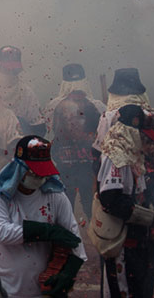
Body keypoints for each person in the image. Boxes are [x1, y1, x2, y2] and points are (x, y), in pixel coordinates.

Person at [0, 136, 85, 298]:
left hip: (46, 291)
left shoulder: (56, 196)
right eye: (34, 173)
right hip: (8, 289)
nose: (40, 178)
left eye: (43, 174)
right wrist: (47, 231)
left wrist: (69, 273)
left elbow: (73, 238)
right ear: (19, 168)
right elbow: (1, 233)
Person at [93, 104, 154, 298]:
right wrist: (147, 216)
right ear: (132, 132)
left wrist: (153, 209)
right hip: (121, 243)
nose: (150, 146)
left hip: (136, 239)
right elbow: (111, 200)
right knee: (122, 292)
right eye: (147, 139)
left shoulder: (132, 152)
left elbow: (139, 192)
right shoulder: (116, 155)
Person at [43, 64, 104, 207]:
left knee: (87, 203)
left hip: (85, 163)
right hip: (69, 163)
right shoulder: (97, 105)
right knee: (67, 203)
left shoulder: (53, 106)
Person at [0, 47, 45, 136]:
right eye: (6, 69)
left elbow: (38, 127)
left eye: (14, 70)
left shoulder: (26, 92)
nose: (10, 72)